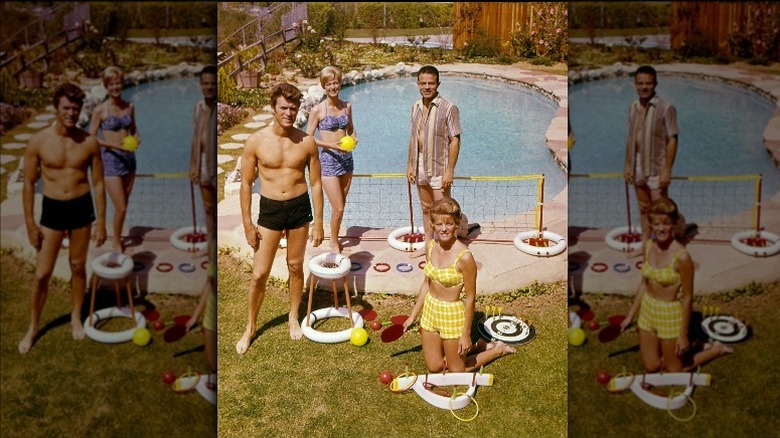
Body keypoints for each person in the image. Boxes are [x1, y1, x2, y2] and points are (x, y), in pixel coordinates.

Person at [236, 82, 325, 354]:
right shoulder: (256, 141)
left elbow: (317, 184)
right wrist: (248, 224)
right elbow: (245, 184)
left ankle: (292, 316)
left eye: (293, 107)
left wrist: (319, 221)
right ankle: (250, 327)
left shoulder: (306, 142)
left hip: (299, 208)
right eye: (283, 107)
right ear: (273, 107)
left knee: (296, 266)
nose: (289, 112)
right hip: (271, 210)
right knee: (260, 273)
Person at [20, 82, 107, 354]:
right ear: (56, 108)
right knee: (42, 274)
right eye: (66, 107)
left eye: (76, 108)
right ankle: (33, 327)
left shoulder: (89, 142)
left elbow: (100, 183)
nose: (72, 113)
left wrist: (102, 222)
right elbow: (28, 184)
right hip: (53, 210)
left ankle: (75, 316)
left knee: (78, 268)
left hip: (81, 209)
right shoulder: (38, 141)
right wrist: (31, 225)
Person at [402, 198, 514, 373]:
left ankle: (498, 349)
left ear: (457, 224)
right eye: (439, 223)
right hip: (431, 310)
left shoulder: (465, 257)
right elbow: (426, 284)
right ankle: (481, 345)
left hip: (452, 315)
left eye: (449, 223)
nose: (444, 228)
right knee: (434, 367)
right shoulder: (431, 247)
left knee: (457, 370)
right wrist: (413, 316)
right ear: (432, 225)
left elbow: (470, 298)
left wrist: (465, 334)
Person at [620, 198, 731, 372]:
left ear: (673, 224)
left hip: (669, 314)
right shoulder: (648, 247)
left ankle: (715, 350)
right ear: (650, 225)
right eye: (656, 224)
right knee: (651, 366)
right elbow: (644, 284)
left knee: (675, 370)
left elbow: (687, 298)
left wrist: (683, 334)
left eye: (666, 223)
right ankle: (696, 345)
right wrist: (630, 316)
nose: (661, 228)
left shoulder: (682, 257)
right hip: (648, 310)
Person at [406, 65, 462, 258]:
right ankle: (429, 246)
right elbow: (413, 138)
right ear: (418, 84)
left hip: (439, 168)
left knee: (445, 213)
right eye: (423, 83)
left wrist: (450, 170)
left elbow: (455, 139)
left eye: (431, 83)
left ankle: (449, 250)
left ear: (438, 84)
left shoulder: (448, 107)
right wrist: (410, 165)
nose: (427, 87)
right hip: (421, 165)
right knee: (426, 209)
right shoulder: (415, 106)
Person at [623, 65, 679, 243]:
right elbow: (631, 138)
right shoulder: (633, 107)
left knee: (661, 214)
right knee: (643, 209)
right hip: (638, 166)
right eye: (640, 83)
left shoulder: (666, 107)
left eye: (648, 83)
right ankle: (646, 249)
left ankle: (665, 250)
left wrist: (667, 170)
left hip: (656, 168)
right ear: (635, 84)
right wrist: (627, 165)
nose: (644, 87)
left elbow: (673, 139)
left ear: (655, 84)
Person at [305, 66, 358, 254]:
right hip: (328, 162)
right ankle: (334, 242)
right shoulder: (318, 110)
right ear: (323, 86)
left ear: (340, 83)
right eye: (329, 84)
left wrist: (355, 137)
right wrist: (331, 146)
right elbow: (308, 137)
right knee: (339, 207)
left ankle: (334, 237)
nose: (333, 87)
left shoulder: (347, 106)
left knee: (340, 206)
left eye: (335, 82)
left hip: (346, 160)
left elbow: (351, 128)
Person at [88, 66, 139, 253]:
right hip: (110, 162)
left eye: (118, 83)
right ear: (106, 86)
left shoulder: (129, 107)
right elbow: (91, 137)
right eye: (111, 84)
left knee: (123, 205)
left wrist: (137, 138)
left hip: (129, 160)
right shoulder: (100, 110)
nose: (115, 87)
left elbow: (133, 129)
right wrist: (115, 146)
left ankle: (117, 236)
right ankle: (116, 241)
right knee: (122, 207)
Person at [189, 65, 217, 263]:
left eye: (213, 83)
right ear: (200, 85)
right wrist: (193, 165)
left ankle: (214, 250)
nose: (209, 87)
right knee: (208, 210)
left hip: (214, 167)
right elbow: (196, 138)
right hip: (202, 166)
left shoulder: (217, 106)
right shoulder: (199, 107)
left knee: (215, 208)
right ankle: (210, 248)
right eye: (205, 83)